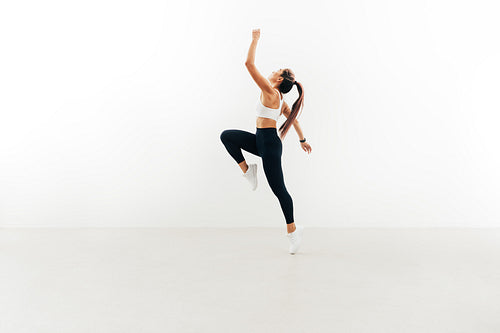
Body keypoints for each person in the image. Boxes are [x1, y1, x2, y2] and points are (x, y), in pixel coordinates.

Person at [220, 28, 312, 254]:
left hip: (270, 145)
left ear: (279, 79)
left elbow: (249, 65)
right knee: (227, 136)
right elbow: (294, 119)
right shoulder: (278, 99)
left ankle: (293, 231)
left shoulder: (271, 93)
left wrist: (255, 39)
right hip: (261, 139)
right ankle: (247, 170)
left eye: (276, 71)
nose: (272, 71)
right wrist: (302, 139)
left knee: (279, 189)